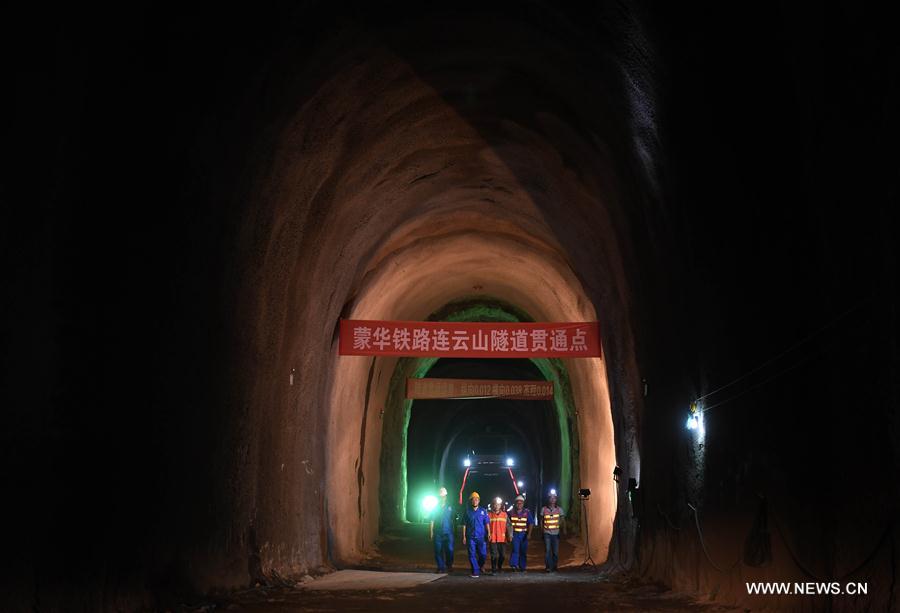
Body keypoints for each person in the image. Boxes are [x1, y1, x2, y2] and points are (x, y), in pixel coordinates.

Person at [461, 491, 490, 577]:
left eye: (476, 499)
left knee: (483, 554)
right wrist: (464, 536)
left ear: (479, 501)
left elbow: (487, 523)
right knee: (472, 554)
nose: (475, 501)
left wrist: (489, 533)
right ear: (471, 501)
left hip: (481, 536)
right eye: (473, 499)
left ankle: (480, 566)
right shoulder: (467, 511)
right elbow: (464, 525)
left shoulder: (483, 511)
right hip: (471, 537)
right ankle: (475, 571)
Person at [429, 487, 454, 573]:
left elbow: (454, 519)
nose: (442, 498)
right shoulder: (435, 507)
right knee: (438, 550)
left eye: (443, 496)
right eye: (440, 496)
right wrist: (431, 532)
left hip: (448, 532)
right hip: (438, 532)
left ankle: (449, 565)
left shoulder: (450, 507)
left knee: (449, 550)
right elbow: (432, 520)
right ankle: (440, 567)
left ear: (446, 497)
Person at [541, 491, 566, 572]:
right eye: (551, 498)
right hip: (547, 533)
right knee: (547, 550)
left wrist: (564, 529)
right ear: (548, 499)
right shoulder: (544, 509)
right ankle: (548, 567)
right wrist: (542, 531)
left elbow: (563, 519)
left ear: (556, 499)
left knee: (555, 552)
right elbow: (542, 520)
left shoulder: (559, 509)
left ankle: (554, 566)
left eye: (554, 498)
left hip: (556, 533)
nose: (552, 499)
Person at [507, 494, 532, 572]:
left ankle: (522, 567)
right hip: (515, 534)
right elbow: (507, 524)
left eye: (521, 503)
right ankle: (514, 565)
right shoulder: (510, 513)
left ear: (523, 504)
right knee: (515, 550)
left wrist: (529, 534)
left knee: (523, 551)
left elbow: (530, 523)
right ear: (515, 503)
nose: (519, 504)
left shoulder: (527, 512)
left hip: (523, 534)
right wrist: (509, 535)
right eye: (518, 503)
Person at [487, 497, 510, 574]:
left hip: (502, 538)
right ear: (493, 505)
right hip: (492, 538)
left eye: (498, 504)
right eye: (495, 504)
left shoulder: (505, 515)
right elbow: (485, 526)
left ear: (500, 505)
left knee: (503, 555)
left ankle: (499, 567)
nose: (496, 506)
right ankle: (494, 569)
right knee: (494, 555)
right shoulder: (489, 515)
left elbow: (509, 526)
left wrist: (510, 535)